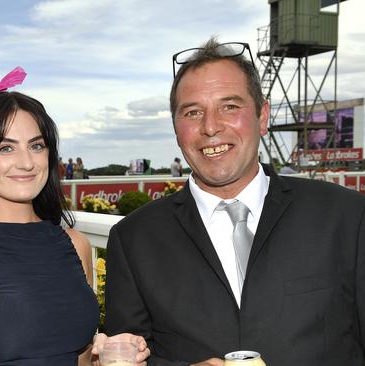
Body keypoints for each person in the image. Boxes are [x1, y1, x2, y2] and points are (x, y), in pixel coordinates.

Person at [104, 37, 365, 366]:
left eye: (230, 106)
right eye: (193, 112)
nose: (211, 127)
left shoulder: (346, 217)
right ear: (175, 128)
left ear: (263, 116)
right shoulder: (133, 239)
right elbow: (124, 358)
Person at [0, 55, 148, 365]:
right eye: (6, 148)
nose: (27, 162)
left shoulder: (74, 243)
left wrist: (107, 357)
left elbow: (77, 359)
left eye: (37, 146)